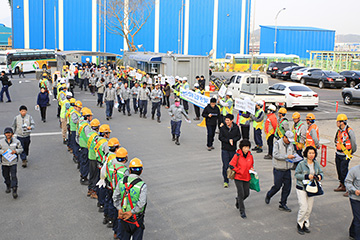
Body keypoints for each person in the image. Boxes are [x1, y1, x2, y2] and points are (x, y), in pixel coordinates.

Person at [113, 158, 147, 240]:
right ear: (141, 171)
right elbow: (142, 203)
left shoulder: (121, 181)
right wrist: (131, 212)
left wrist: (119, 209)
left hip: (123, 216)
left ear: (130, 170)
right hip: (136, 218)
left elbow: (115, 197)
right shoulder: (142, 185)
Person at [294, 146, 324, 235]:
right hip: (302, 188)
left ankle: (305, 224)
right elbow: (297, 175)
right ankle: (299, 224)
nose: (311, 155)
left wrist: (319, 176)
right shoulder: (301, 164)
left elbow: (321, 172)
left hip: (311, 188)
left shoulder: (316, 164)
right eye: (310, 153)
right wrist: (306, 176)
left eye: (313, 153)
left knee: (309, 208)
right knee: (303, 207)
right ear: (306, 154)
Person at [265, 131, 296, 212]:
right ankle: (269, 195)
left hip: (287, 169)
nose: (289, 141)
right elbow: (275, 155)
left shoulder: (291, 145)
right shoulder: (277, 144)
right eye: (288, 139)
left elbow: (293, 152)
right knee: (277, 186)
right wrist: (286, 156)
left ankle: (283, 203)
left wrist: (295, 156)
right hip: (278, 169)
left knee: (287, 187)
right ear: (284, 137)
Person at [229, 139, 254, 219]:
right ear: (241, 148)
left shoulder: (250, 155)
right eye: (245, 147)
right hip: (238, 177)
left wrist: (252, 169)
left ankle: (238, 201)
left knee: (246, 193)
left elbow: (251, 164)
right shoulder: (237, 155)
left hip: (247, 177)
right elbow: (231, 165)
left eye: (248, 147)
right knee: (241, 193)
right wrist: (238, 170)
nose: (246, 149)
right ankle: (242, 210)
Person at [334, 114, 357, 197]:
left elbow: (353, 143)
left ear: (342, 122)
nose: (336, 123)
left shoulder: (349, 131)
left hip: (345, 155)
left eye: (337, 122)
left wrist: (351, 152)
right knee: (339, 171)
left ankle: (349, 188)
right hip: (338, 153)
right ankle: (342, 185)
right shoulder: (339, 131)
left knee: (344, 172)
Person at [219, 114, 241, 188]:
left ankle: (232, 176)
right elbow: (220, 137)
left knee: (232, 165)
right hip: (225, 149)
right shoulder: (223, 128)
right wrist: (228, 141)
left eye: (228, 120)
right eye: (226, 120)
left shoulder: (236, 127)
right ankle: (226, 180)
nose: (226, 122)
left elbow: (239, 136)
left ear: (232, 120)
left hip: (232, 149)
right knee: (225, 165)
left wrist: (233, 140)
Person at [0, 127, 23, 199]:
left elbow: (21, 149)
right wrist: (2, 152)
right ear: (4, 134)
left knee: (13, 176)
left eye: (9, 133)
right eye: (6, 133)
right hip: (4, 162)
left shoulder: (17, 141)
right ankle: (8, 185)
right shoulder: (1, 142)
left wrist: (16, 151)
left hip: (13, 162)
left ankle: (14, 190)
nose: (8, 134)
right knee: (5, 175)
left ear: (12, 134)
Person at [76, 107, 93, 185]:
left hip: (81, 144)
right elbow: (89, 137)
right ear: (87, 116)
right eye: (90, 116)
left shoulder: (81, 122)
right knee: (86, 162)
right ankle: (84, 177)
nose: (91, 117)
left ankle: (82, 174)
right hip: (86, 146)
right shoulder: (86, 126)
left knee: (83, 161)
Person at [345, 164, 360, 240]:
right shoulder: (354, 170)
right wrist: (355, 190)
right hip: (355, 198)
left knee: (357, 217)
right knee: (359, 218)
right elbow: (347, 182)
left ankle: (352, 233)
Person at [87, 118, 101, 199]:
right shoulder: (96, 137)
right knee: (95, 175)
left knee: (92, 174)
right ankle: (93, 191)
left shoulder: (90, 134)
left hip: (90, 155)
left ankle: (90, 189)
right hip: (95, 157)